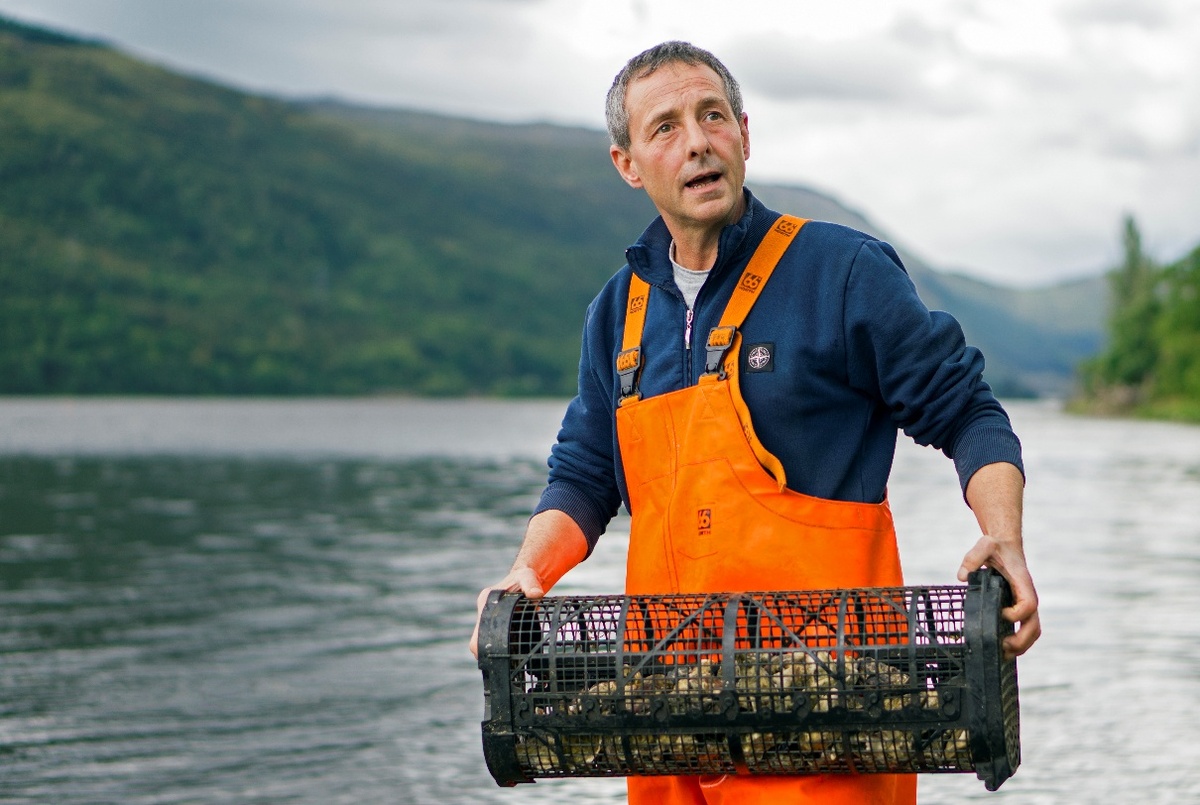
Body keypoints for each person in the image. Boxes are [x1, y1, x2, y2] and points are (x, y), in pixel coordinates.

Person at [471, 40, 1041, 805]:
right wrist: (528, 572)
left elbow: (969, 411)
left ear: (744, 132)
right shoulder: (617, 312)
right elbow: (583, 474)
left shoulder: (842, 272)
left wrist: (1004, 535)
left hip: (834, 718)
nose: (697, 140)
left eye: (712, 115)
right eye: (665, 126)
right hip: (665, 720)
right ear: (628, 164)